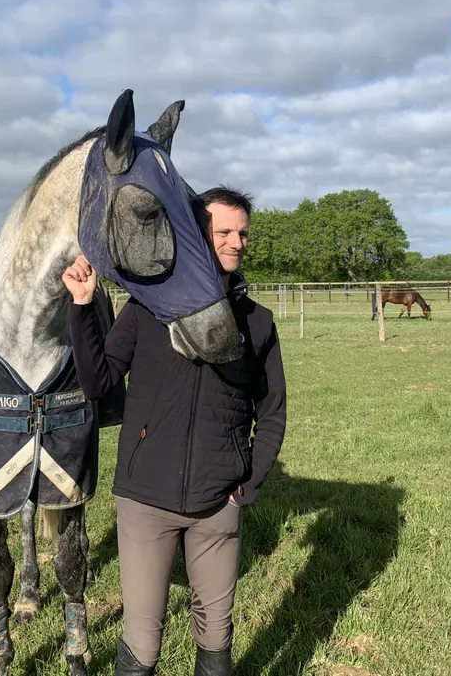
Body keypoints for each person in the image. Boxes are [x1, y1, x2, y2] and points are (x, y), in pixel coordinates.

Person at [62, 186, 287, 676]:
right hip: (146, 504)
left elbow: (272, 412)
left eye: (243, 233)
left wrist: (248, 482)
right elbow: (99, 382)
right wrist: (82, 308)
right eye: (223, 231)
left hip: (219, 504)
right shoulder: (147, 309)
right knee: (143, 636)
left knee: (217, 634)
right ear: (195, 234)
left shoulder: (258, 322)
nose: (236, 242)